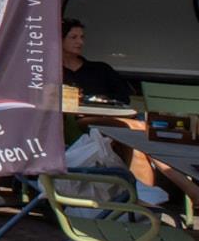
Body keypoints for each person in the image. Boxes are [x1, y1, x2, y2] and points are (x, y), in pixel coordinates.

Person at [62, 18, 164, 204]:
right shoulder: (52, 71)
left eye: (82, 37)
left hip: (108, 118)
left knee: (137, 144)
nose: (80, 42)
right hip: (79, 121)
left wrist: (102, 100)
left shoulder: (99, 69)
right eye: (73, 37)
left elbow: (123, 97)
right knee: (140, 129)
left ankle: (141, 201)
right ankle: (179, 192)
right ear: (59, 40)